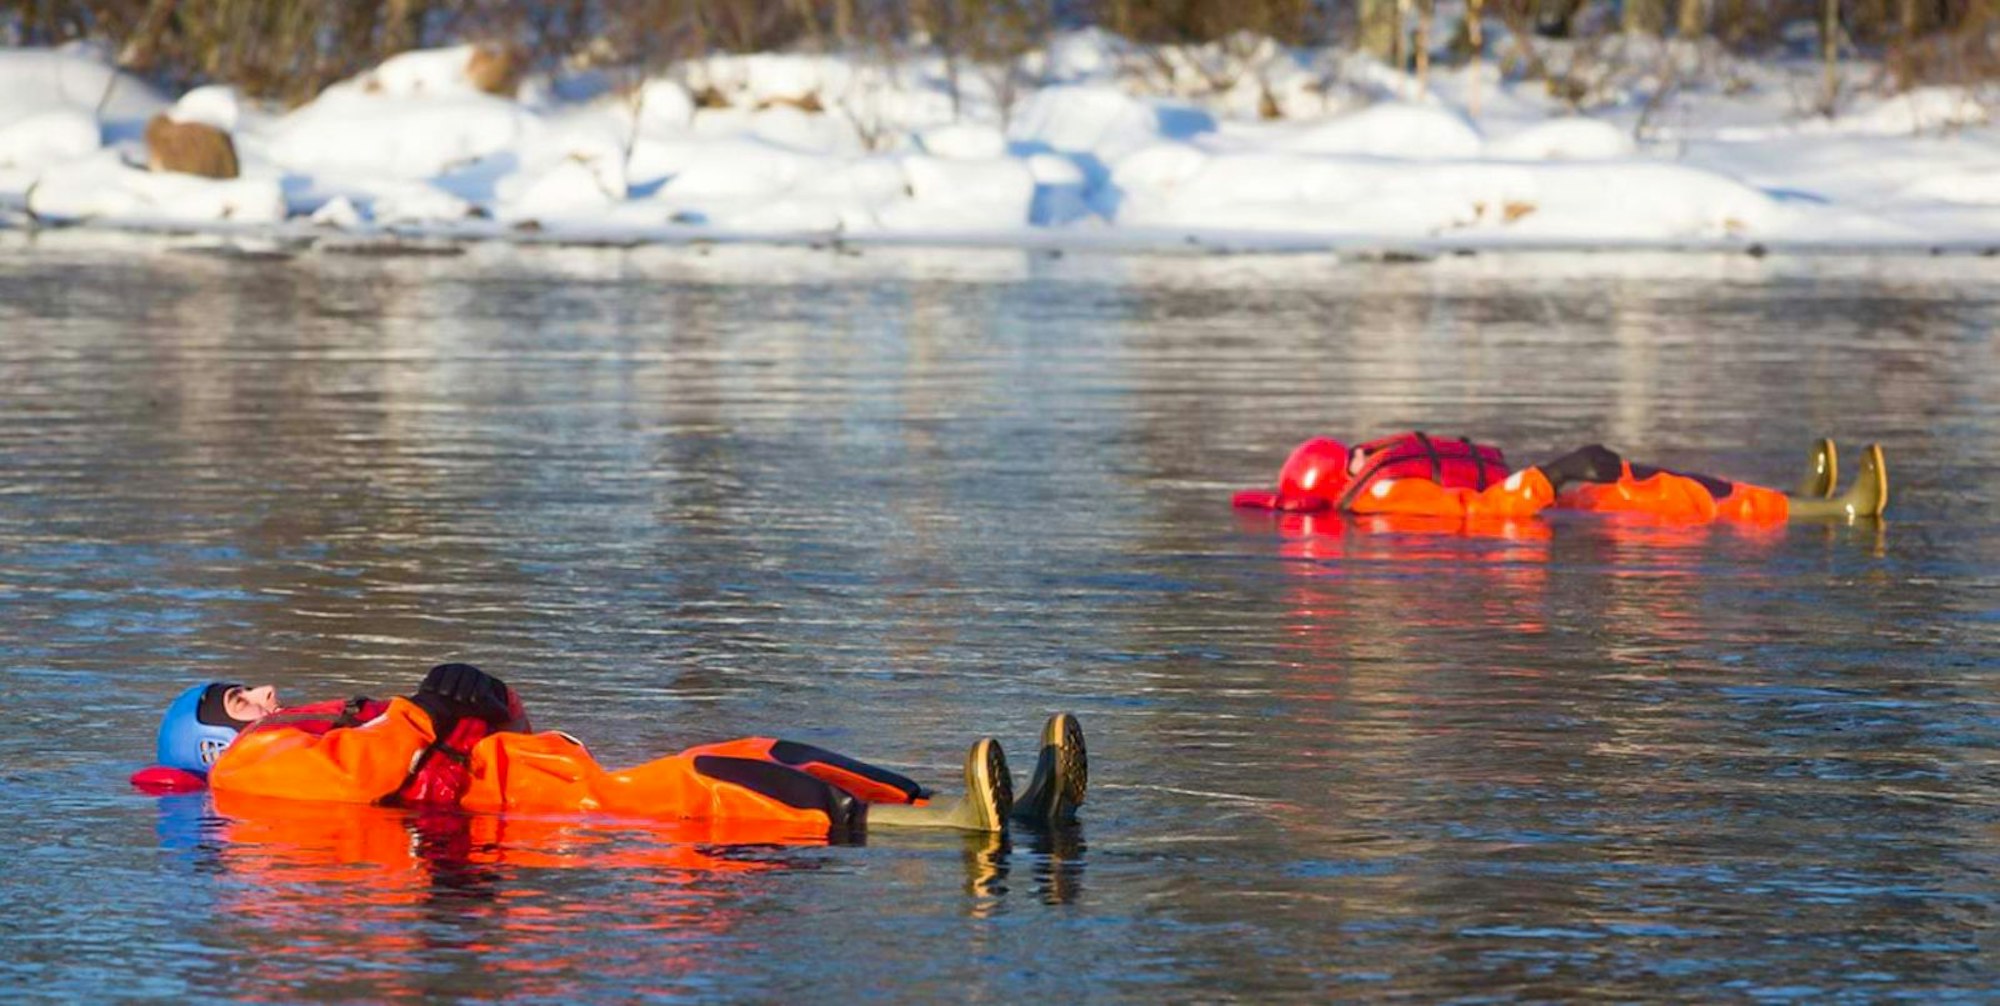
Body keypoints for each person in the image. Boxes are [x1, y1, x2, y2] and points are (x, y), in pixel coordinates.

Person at [134, 664, 1088, 837]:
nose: (257, 694)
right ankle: (962, 827)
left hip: (560, 781)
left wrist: (474, 698)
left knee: (763, 745)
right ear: (212, 738)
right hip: (561, 817)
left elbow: (475, 730)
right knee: (712, 782)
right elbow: (361, 784)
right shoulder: (257, 769)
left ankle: (966, 805)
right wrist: (424, 710)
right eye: (233, 699)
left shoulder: (334, 721)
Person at [1233, 432, 1887, 524]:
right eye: (1345, 459)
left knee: (1661, 478)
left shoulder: (1365, 493)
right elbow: (1483, 516)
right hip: (1559, 533)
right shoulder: (1378, 495)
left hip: (1556, 523)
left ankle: (1805, 497)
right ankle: (1836, 511)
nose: (1358, 456)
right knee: (1669, 492)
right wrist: (1559, 472)